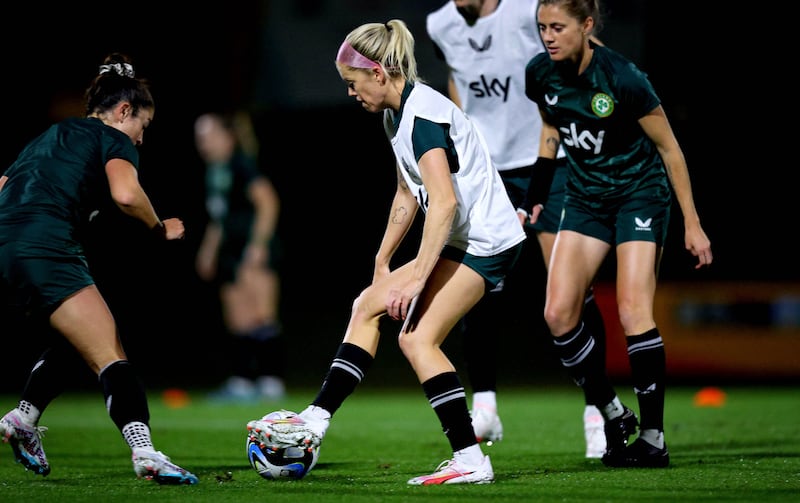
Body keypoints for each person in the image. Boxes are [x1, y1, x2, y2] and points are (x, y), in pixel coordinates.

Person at [246, 19, 526, 485]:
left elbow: (445, 201)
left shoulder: (423, 119)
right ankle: (317, 418)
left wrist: (417, 277)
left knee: (417, 339)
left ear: (378, 73)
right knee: (367, 303)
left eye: (353, 83)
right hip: (462, 237)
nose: (351, 93)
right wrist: (383, 259)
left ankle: (472, 460)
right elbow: (405, 191)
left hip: (486, 242)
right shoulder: (395, 113)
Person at [521, 0, 712, 468]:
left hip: (639, 196)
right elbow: (551, 128)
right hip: (585, 200)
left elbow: (670, 149)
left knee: (631, 310)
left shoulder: (623, 78)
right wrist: (538, 194)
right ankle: (612, 413)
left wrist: (692, 222)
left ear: (586, 26)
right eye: (542, 26)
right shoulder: (539, 73)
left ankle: (653, 438)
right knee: (558, 314)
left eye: (559, 27)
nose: (548, 36)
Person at [0, 53, 199, 484]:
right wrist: (159, 227)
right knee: (110, 354)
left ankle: (23, 419)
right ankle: (145, 453)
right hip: (47, 245)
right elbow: (127, 194)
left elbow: (3, 184)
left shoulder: (54, 134)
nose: (141, 139)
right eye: (143, 126)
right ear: (124, 111)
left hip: (8, 244)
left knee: (78, 341)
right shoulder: (113, 138)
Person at [426, 0, 608, 458]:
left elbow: (588, 52)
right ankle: (484, 405)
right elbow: (458, 77)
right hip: (487, 170)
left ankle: (598, 410)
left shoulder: (530, 11)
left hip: (549, 164)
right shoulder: (440, 23)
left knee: (571, 292)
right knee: (475, 284)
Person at [194, 111, 286, 402]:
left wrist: (258, 245)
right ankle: (243, 381)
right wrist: (208, 251)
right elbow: (219, 218)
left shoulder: (241, 164)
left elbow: (268, 202)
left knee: (262, 315)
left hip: (252, 249)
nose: (203, 144)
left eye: (208, 136)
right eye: (199, 138)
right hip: (231, 252)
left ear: (227, 136)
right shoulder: (216, 170)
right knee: (238, 319)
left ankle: (271, 381)